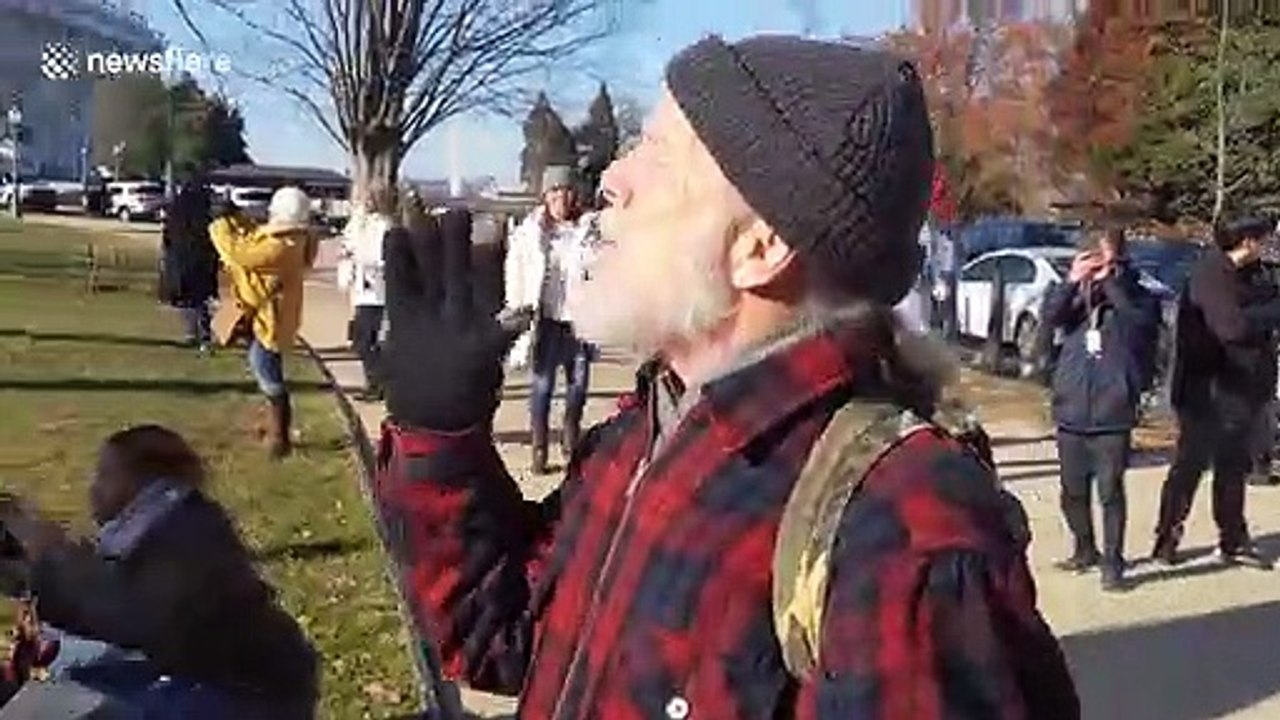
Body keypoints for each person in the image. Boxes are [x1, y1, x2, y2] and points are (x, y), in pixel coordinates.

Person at [374, 35, 1078, 718]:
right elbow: (502, 638)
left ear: (758, 247)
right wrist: (442, 438)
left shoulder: (906, 536)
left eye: (656, 154)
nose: (612, 180)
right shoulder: (644, 428)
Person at [0, 425, 317, 718]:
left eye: (105, 475)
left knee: (47, 707)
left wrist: (50, 558)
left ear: (141, 480)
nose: (93, 487)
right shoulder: (160, 525)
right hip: (208, 678)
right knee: (57, 678)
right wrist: (28, 564)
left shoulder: (184, 534)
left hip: (244, 698)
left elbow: (125, 616)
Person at [1155, 217, 1280, 567]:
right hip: (1205, 390)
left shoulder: (1254, 275)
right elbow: (1231, 327)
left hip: (1241, 390)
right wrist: (1271, 314)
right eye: (1263, 240)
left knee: (1233, 466)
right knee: (1190, 466)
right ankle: (1167, 538)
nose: (1268, 247)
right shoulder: (1211, 274)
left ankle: (1233, 538)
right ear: (1248, 241)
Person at [1042, 226, 1159, 590]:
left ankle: (1113, 562)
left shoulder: (1140, 297)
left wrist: (1111, 281)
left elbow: (1138, 323)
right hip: (1072, 407)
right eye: (1092, 259)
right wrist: (1072, 282)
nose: (1097, 270)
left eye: (1105, 259)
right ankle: (1084, 549)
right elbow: (1050, 318)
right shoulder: (1078, 299)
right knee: (1072, 491)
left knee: (1110, 491)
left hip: (1113, 410)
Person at [210, 187, 320, 459]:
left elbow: (240, 253)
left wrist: (221, 224)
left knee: (267, 373)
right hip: (268, 316)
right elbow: (254, 235)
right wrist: (236, 217)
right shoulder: (292, 238)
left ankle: (280, 436)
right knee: (264, 368)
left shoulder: (283, 246)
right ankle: (273, 428)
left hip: (272, 320)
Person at [503, 165, 598, 474]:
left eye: (566, 191)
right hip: (545, 319)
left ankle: (571, 439)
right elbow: (515, 271)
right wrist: (517, 307)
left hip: (579, 321)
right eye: (555, 192)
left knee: (578, 386)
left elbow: (600, 269)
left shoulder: (589, 230)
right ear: (545, 196)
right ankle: (539, 447)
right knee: (542, 387)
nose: (561, 198)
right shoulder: (530, 232)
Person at [338, 190, 392, 402]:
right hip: (361, 289)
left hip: (375, 291)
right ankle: (375, 381)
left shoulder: (383, 225)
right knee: (361, 340)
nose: (366, 203)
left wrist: (358, 257)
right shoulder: (357, 223)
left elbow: (380, 257)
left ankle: (379, 383)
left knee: (365, 341)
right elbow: (348, 246)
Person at [159, 181, 219, 353]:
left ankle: (191, 332)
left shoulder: (175, 213)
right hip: (201, 261)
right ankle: (203, 335)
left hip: (179, 261)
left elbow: (167, 238)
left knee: (186, 299)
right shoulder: (205, 217)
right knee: (200, 299)